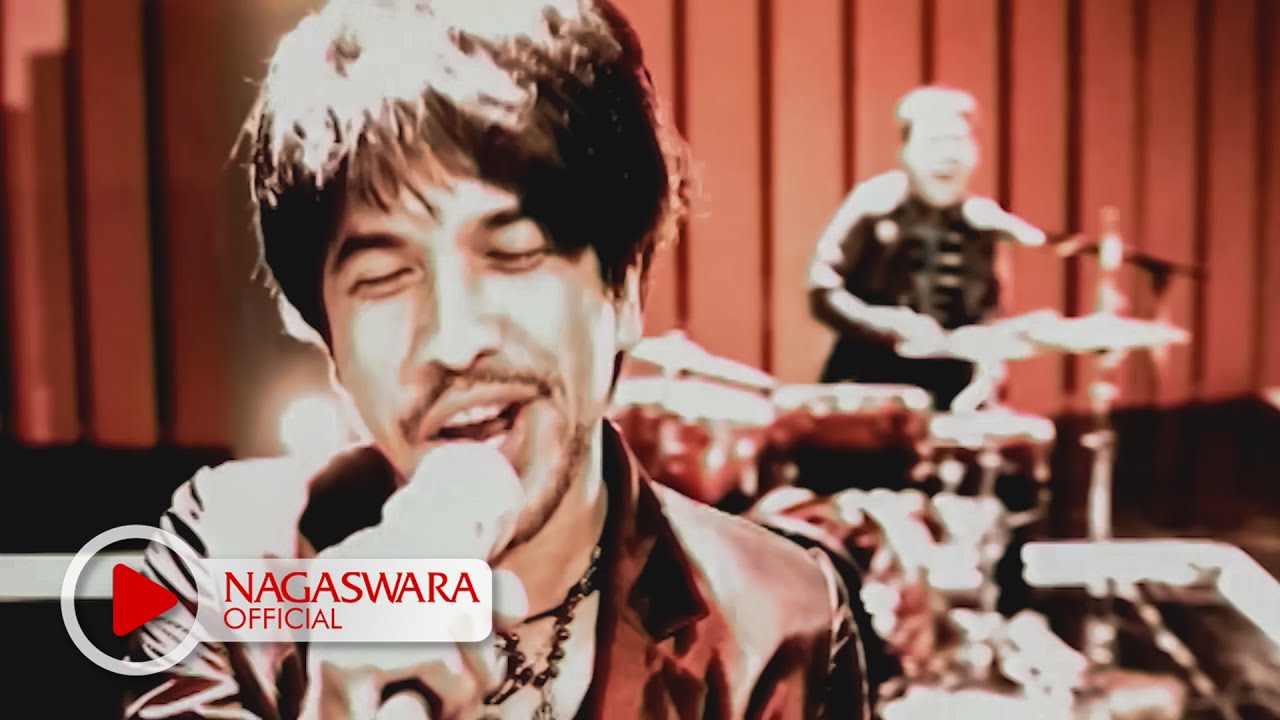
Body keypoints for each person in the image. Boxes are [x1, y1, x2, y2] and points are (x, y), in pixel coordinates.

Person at [121, 1, 868, 718]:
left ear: (623, 289)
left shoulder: (783, 618)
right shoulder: (229, 574)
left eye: (512, 253)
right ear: (329, 343)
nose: (452, 340)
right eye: (382, 278)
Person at [806, 86, 1046, 412]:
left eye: (958, 143)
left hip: (955, 388)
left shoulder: (981, 222)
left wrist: (992, 348)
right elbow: (822, 289)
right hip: (870, 383)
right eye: (936, 142)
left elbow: (992, 308)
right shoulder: (875, 203)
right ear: (907, 151)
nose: (949, 157)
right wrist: (882, 324)